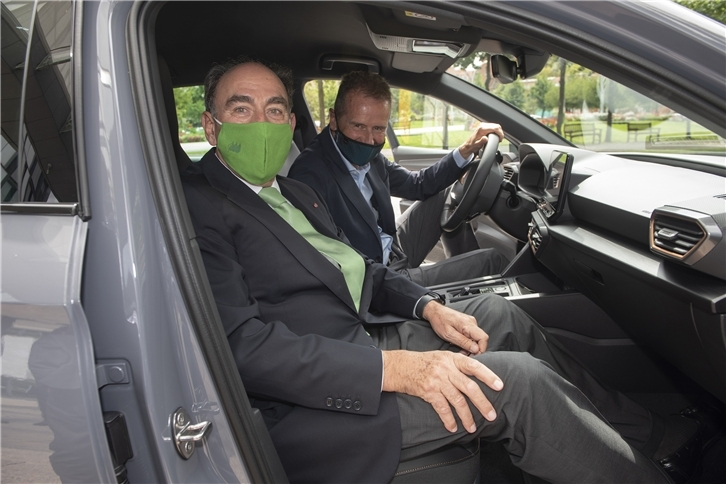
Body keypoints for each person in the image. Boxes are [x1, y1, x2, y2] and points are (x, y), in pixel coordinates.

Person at [181, 56, 698, 484]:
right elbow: (240, 347)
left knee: (496, 314)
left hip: (364, 330)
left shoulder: (293, 191)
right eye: (241, 108)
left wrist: (427, 306)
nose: (262, 124)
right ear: (211, 124)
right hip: (323, 397)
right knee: (517, 382)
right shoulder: (199, 207)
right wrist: (395, 369)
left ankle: (648, 433)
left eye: (275, 109)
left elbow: (362, 271)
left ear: (291, 121)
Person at [289, 71, 507, 286]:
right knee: (491, 261)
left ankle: (459, 289)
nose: (368, 139)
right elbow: (334, 263)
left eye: (378, 128)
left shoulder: (371, 155)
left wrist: (466, 150)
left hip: (391, 248)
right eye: (358, 126)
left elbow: (417, 184)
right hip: (378, 279)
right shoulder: (309, 175)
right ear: (334, 119)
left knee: (445, 194)